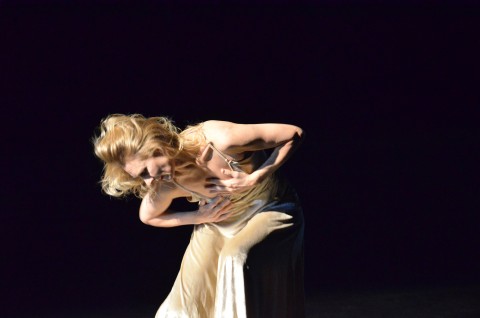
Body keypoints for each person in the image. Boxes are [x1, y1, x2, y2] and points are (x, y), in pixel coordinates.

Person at [93, 113, 306, 318]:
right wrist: (198, 216)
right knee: (184, 301)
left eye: (146, 171)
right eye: (141, 177)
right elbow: (147, 216)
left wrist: (254, 178)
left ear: (155, 148)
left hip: (270, 206)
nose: (148, 182)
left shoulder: (219, 139)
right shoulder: (166, 183)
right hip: (220, 222)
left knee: (235, 258)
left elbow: (293, 134)